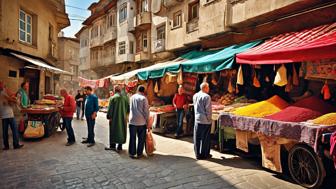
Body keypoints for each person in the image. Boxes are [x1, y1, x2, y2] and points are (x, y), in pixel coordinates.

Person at [105, 85, 130, 152]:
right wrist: (126, 116)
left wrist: (109, 117)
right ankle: (120, 146)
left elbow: (110, 110)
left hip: (114, 119)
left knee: (113, 131)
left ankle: (112, 146)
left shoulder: (113, 98)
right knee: (122, 131)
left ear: (114, 90)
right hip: (123, 118)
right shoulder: (125, 98)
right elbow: (128, 109)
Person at [0, 81, 24, 150]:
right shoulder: (2, 93)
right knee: (14, 130)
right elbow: (12, 100)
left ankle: (6, 146)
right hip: (8, 114)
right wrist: (16, 98)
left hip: (4, 115)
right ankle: (16, 145)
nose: (4, 86)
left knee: (5, 131)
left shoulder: (3, 93)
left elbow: (10, 98)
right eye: (3, 85)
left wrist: (14, 96)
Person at [128, 85, 149, 159]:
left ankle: (132, 153)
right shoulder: (144, 98)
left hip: (132, 121)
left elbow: (130, 108)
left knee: (132, 138)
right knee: (141, 138)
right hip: (141, 122)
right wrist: (148, 122)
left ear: (137, 90)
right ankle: (139, 153)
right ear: (143, 91)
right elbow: (146, 112)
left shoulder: (132, 97)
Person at [193, 82, 212, 160]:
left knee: (197, 137)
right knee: (205, 138)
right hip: (205, 120)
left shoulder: (195, 95)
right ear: (205, 88)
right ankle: (205, 154)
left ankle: (197, 154)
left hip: (197, 119)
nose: (209, 89)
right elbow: (208, 110)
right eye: (208, 87)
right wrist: (209, 119)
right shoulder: (207, 97)